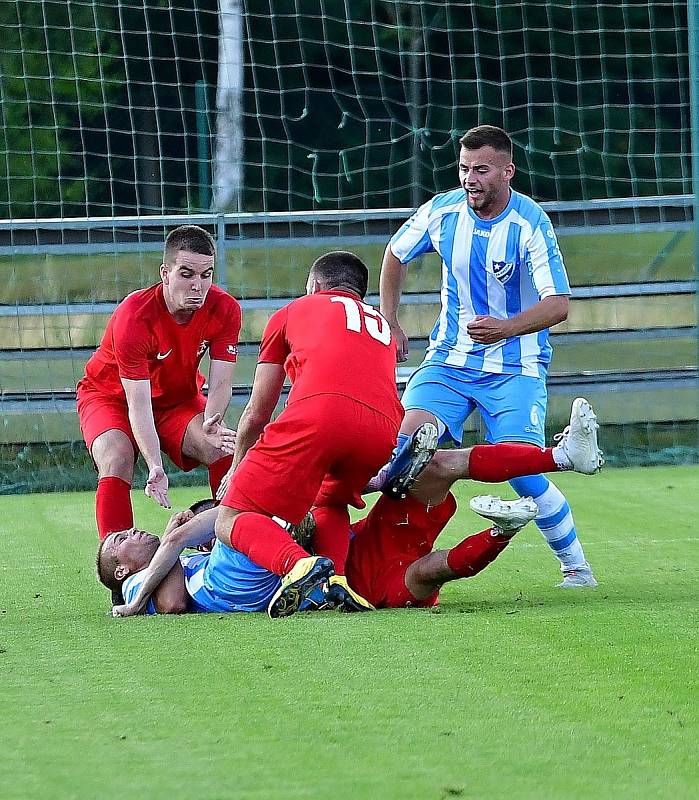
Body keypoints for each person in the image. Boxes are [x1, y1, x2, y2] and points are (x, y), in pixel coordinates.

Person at [102, 396, 602, 617]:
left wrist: (187, 533)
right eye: (121, 540)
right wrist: (165, 557)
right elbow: (168, 601)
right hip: (359, 572)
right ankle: (495, 527)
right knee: (424, 572)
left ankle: (560, 456)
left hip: (350, 548)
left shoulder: (191, 561)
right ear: (122, 569)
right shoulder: (141, 586)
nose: (133, 533)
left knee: (441, 465)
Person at [378, 124, 597, 588]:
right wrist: (390, 319)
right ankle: (380, 554)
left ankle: (576, 568)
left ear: (507, 171)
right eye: (463, 168)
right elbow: (395, 255)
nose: (469, 178)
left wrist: (505, 328)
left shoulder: (530, 223)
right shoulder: (442, 211)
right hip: (449, 361)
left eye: (480, 169)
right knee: (406, 450)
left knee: (519, 467)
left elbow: (558, 303)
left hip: (515, 367)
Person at [214, 251, 405, 617]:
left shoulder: (292, 311)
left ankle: (298, 566)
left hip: (322, 414)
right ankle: (338, 582)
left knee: (230, 518)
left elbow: (258, 411)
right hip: (383, 431)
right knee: (328, 501)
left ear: (315, 285)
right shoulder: (380, 323)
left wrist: (237, 466)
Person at [77, 224, 241, 539]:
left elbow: (221, 384)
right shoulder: (134, 316)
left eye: (206, 275)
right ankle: (119, 572)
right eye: (187, 274)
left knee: (221, 448)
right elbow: (138, 404)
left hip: (176, 400)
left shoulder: (225, 308)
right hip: (111, 397)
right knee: (116, 457)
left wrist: (212, 422)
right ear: (165, 273)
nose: (198, 286)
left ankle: (230, 555)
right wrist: (155, 464)